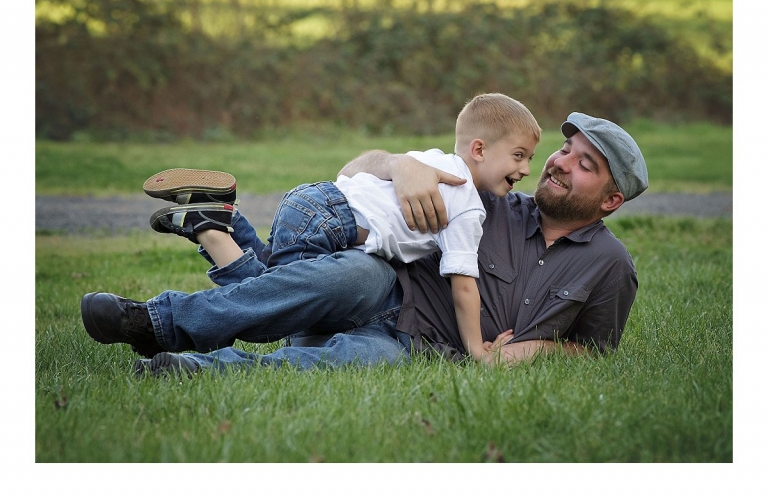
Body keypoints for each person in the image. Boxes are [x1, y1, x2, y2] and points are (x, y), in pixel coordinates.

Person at [80, 112, 648, 377]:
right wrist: (400, 165)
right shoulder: (488, 197)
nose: (559, 162)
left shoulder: (609, 266)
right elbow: (351, 175)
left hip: (421, 348)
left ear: (611, 200)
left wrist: (531, 352)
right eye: (565, 149)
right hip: (381, 290)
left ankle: (193, 365)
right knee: (346, 276)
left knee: (341, 362)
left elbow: (594, 352)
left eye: (584, 164)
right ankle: (155, 323)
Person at [147, 94, 539, 363]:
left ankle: (216, 225)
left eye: (529, 159)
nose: (524, 170)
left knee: (281, 292)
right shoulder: (467, 203)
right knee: (284, 306)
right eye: (518, 156)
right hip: (334, 222)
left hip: (316, 202)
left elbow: (356, 175)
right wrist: (476, 349)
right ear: (479, 149)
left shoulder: (427, 161)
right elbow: (464, 284)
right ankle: (208, 239)